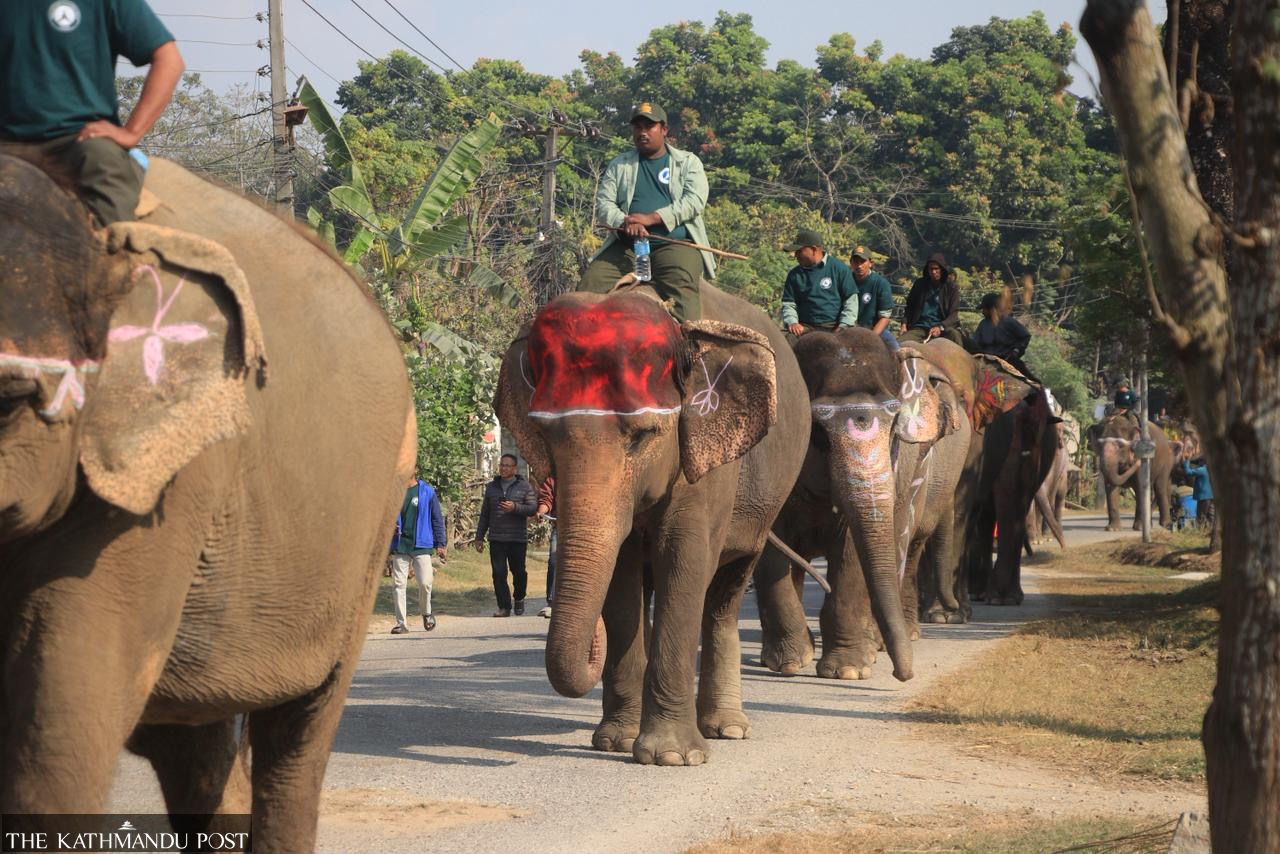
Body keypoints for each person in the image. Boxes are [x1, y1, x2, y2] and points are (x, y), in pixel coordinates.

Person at [0, 0, 185, 226]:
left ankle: (118, 255)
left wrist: (131, 133)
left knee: (103, 163)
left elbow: (169, 60)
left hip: (79, 139)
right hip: (7, 143)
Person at [578, 103, 714, 322]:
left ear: (664, 130)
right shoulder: (619, 164)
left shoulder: (688, 162)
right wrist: (625, 222)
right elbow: (604, 204)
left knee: (683, 301)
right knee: (587, 288)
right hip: (627, 247)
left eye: (649, 126)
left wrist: (651, 219)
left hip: (673, 245)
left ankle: (691, 350)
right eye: (637, 127)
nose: (642, 132)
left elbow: (695, 201)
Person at [474, 453, 538, 616]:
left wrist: (515, 508)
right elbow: (485, 514)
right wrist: (479, 537)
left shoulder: (524, 486)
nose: (503, 468)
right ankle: (504, 607)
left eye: (507, 465)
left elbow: (532, 508)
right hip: (497, 538)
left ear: (514, 468)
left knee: (519, 572)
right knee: (498, 573)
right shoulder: (492, 487)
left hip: (517, 538)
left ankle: (519, 598)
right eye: (502, 465)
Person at [390, 476, 447, 634]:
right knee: (399, 585)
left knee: (425, 582)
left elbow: (436, 518)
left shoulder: (427, 491)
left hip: (422, 543)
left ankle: (426, 613)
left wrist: (441, 543)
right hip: (400, 543)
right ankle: (401, 623)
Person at [779, 229, 857, 339]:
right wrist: (792, 322)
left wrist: (844, 326)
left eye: (799, 251)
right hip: (804, 328)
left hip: (833, 327)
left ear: (814, 249)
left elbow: (850, 301)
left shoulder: (839, 269)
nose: (795, 255)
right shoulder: (794, 274)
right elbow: (789, 303)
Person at [901, 252, 962, 345]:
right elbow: (909, 307)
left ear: (942, 269)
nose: (933, 272)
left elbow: (954, 315)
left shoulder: (951, 287)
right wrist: (904, 324)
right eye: (931, 269)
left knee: (955, 336)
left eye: (936, 269)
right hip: (920, 327)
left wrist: (940, 326)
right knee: (898, 344)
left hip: (943, 329)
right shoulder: (919, 284)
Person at [849, 245, 899, 350]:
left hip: (875, 330)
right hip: (849, 329)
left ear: (871, 263)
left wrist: (870, 338)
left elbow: (884, 317)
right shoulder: (845, 280)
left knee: (896, 351)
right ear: (851, 263)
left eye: (862, 262)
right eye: (856, 262)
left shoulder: (880, 283)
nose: (859, 266)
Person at [971, 292, 1033, 377]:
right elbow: (975, 343)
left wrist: (1016, 350)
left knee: (1028, 379)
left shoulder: (1009, 322)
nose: (982, 312)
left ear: (991, 309)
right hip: (986, 360)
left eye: (984, 309)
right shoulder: (983, 324)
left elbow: (1025, 336)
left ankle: (1038, 387)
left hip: (1008, 359)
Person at [536, 476, 556, 619]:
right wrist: (542, 511)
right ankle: (551, 602)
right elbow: (546, 498)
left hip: (588, 528)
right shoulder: (555, 478)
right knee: (554, 561)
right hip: (561, 525)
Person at [1182, 456, 1214, 532]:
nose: (1197, 464)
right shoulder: (1211, 469)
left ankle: (1200, 532)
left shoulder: (1202, 470)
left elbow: (1188, 472)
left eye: (1198, 462)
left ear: (1202, 462)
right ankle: (1210, 531)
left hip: (1203, 497)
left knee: (1200, 516)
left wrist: (1187, 461)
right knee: (1210, 515)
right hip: (1210, 496)